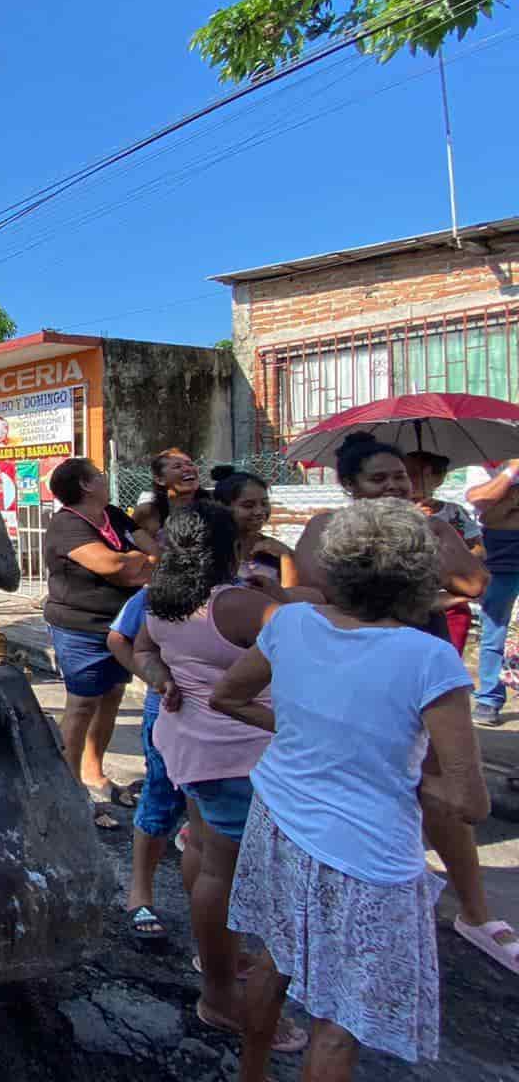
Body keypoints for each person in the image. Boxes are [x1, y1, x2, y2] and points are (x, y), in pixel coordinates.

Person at [213, 499, 491, 1079]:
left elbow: (229, 698)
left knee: (276, 959)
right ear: (422, 576)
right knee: (339, 1020)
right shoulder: (430, 658)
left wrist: (306, 734)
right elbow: (468, 802)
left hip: (280, 820)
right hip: (368, 853)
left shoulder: (290, 624)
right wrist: (400, 772)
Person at [293, 432, 514, 976]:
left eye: (400, 477)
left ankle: (475, 912)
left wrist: (428, 543)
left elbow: (475, 582)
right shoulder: (325, 529)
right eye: (379, 478)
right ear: (350, 486)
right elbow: (310, 592)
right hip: (352, 668)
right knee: (363, 784)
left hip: (422, 656)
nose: (394, 485)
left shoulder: (433, 527)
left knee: (440, 784)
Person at [132, 503, 305, 1054]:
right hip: (240, 756)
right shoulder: (236, 604)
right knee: (222, 874)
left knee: (206, 855)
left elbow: (140, 648)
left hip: (193, 748)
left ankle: (218, 959)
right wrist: (274, 593)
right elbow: (309, 641)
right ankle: (220, 993)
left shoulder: (160, 598)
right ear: (229, 548)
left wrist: (161, 676)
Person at [42, 457, 156, 824]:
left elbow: (154, 553)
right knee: (81, 705)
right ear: (86, 485)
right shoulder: (67, 525)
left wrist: (137, 562)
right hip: (80, 626)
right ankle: (69, 788)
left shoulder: (113, 517)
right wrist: (134, 563)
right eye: (100, 476)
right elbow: (114, 567)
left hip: (119, 625)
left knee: (111, 699)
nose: (105, 479)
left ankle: (93, 772)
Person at [107, 586, 189, 942]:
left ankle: (216, 918)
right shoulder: (160, 592)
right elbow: (121, 640)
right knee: (160, 798)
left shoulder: (263, 581)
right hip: (173, 713)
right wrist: (156, 679)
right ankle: (140, 893)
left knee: (212, 826)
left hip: (237, 730)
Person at [407, 450, 483, 656]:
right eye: (409, 473)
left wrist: (454, 559)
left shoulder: (454, 512)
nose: (414, 480)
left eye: (424, 473)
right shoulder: (391, 513)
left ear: (438, 478)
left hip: (452, 604)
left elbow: (478, 550)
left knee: (447, 665)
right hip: (406, 606)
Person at [465, 457, 519, 726]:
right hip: (501, 563)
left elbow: (498, 514)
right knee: (495, 632)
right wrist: (513, 471)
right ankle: (488, 699)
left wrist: (507, 502)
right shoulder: (486, 464)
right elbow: (485, 509)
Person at [132, 447, 200, 541]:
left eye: (190, 464)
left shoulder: (215, 508)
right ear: (160, 480)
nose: (188, 469)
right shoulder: (147, 512)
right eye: (177, 466)